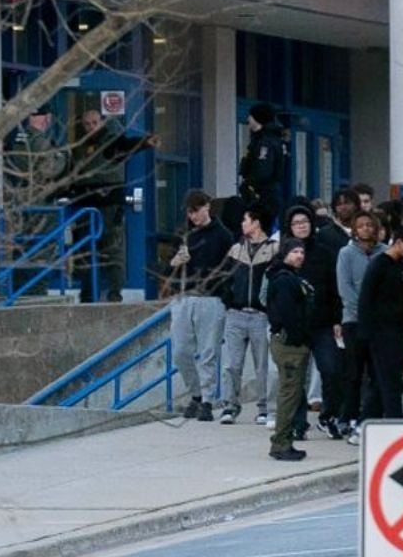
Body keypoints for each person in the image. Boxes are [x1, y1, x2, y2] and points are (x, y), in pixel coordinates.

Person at [70, 109, 160, 303]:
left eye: (95, 122)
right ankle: (87, 293)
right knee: (85, 250)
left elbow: (126, 145)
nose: (91, 127)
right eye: (87, 124)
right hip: (85, 204)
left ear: (101, 122)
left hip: (108, 203)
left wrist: (145, 142)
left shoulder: (110, 140)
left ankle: (115, 292)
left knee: (112, 248)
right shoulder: (79, 146)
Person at [168, 190, 233, 421]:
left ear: (207, 207)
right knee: (180, 351)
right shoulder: (183, 233)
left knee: (208, 352)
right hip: (184, 296)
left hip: (211, 298)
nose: (193, 216)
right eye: (189, 212)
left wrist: (225, 297)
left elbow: (229, 269)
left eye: (196, 210)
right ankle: (195, 393)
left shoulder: (224, 235)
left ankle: (207, 399)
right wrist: (175, 261)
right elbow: (169, 268)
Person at [285, 205, 344, 439]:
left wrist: (337, 318)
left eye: (305, 221)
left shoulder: (324, 253)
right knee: (295, 377)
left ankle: (329, 416)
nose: (301, 226)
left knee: (331, 369)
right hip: (295, 326)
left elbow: (334, 287)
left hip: (322, 323)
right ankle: (298, 422)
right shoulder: (284, 254)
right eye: (296, 222)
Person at [218, 204, 278, 426]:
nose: (242, 224)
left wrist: (269, 307)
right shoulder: (236, 249)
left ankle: (264, 408)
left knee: (262, 364)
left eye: (246, 220)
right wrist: (229, 300)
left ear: (256, 223)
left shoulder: (273, 249)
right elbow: (224, 277)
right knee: (231, 364)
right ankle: (229, 406)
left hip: (261, 315)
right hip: (236, 312)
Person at [4, 106, 69, 296]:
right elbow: (49, 169)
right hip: (40, 204)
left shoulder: (18, 138)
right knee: (42, 250)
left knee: (23, 249)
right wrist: (62, 158)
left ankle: (21, 291)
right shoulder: (39, 140)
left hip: (21, 201)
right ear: (47, 118)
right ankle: (35, 293)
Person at [336, 210, 386, 445]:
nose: (366, 229)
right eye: (361, 225)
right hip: (353, 321)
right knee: (354, 372)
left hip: (379, 322)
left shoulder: (384, 253)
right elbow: (345, 288)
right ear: (354, 229)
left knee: (376, 372)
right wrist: (361, 312)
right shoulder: (346, 254)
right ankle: (348, 416)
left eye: (370, 225)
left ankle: (373, 415)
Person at [359, 223, 403, 420]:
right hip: (380, 332)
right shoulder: (378, 264)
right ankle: (395, 419)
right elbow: (365, 298)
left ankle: (366, 420)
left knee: (383, 381)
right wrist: (366, 333)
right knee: (390, 380)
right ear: (399, 242)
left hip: (398, 331)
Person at [265, 238, 313, 461]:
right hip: (289, 344)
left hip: (290, 342)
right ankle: (281, 443)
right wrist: (298, 337)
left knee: (291, 393)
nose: (299, 256)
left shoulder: (289, 277)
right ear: (285, 253)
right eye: (295, 252)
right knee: (289, 393)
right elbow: (287, 313)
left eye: (301, 252)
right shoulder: (285, 280)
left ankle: (284, 441)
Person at [238, 103, 286, 232]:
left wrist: (250, 186)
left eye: (251, 116)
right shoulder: (264, 140)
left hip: (263, 200)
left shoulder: (266, 143)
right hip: (263, 198)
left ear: (258, 118)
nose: (248, 120)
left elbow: (263, 172)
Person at [316, 189, 356, 253]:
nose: (343, 207)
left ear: (356, 205)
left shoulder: (364, 228)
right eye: (339, 204)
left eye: (347, 203)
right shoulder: (325, 233)